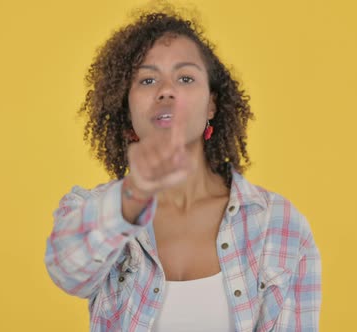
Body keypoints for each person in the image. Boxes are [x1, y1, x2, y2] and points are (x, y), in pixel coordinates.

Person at [44, 5, 321, 332]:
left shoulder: (279, 225)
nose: (166, 90)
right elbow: (67, 271)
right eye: (147, 79)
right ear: (126, 108)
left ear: (211, 104)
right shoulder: (92, 211)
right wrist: (134, 195)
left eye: (185, 77)